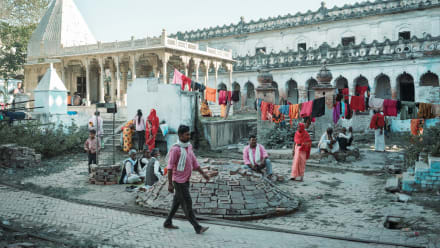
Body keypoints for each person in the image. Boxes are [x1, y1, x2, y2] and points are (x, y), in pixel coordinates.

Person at [163, 125, 210, 234]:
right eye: (186, 134)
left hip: (186, 180)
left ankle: (167, 222)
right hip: (178, 182)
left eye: (189, 134)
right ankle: (197, 227)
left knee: (176, 203)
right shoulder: (175, 149)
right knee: (187, 203)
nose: (189, 136)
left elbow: (194, 163)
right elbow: (169, 168)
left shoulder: (188, 146)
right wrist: (170, 184)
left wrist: (204, 174)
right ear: (180, 135)